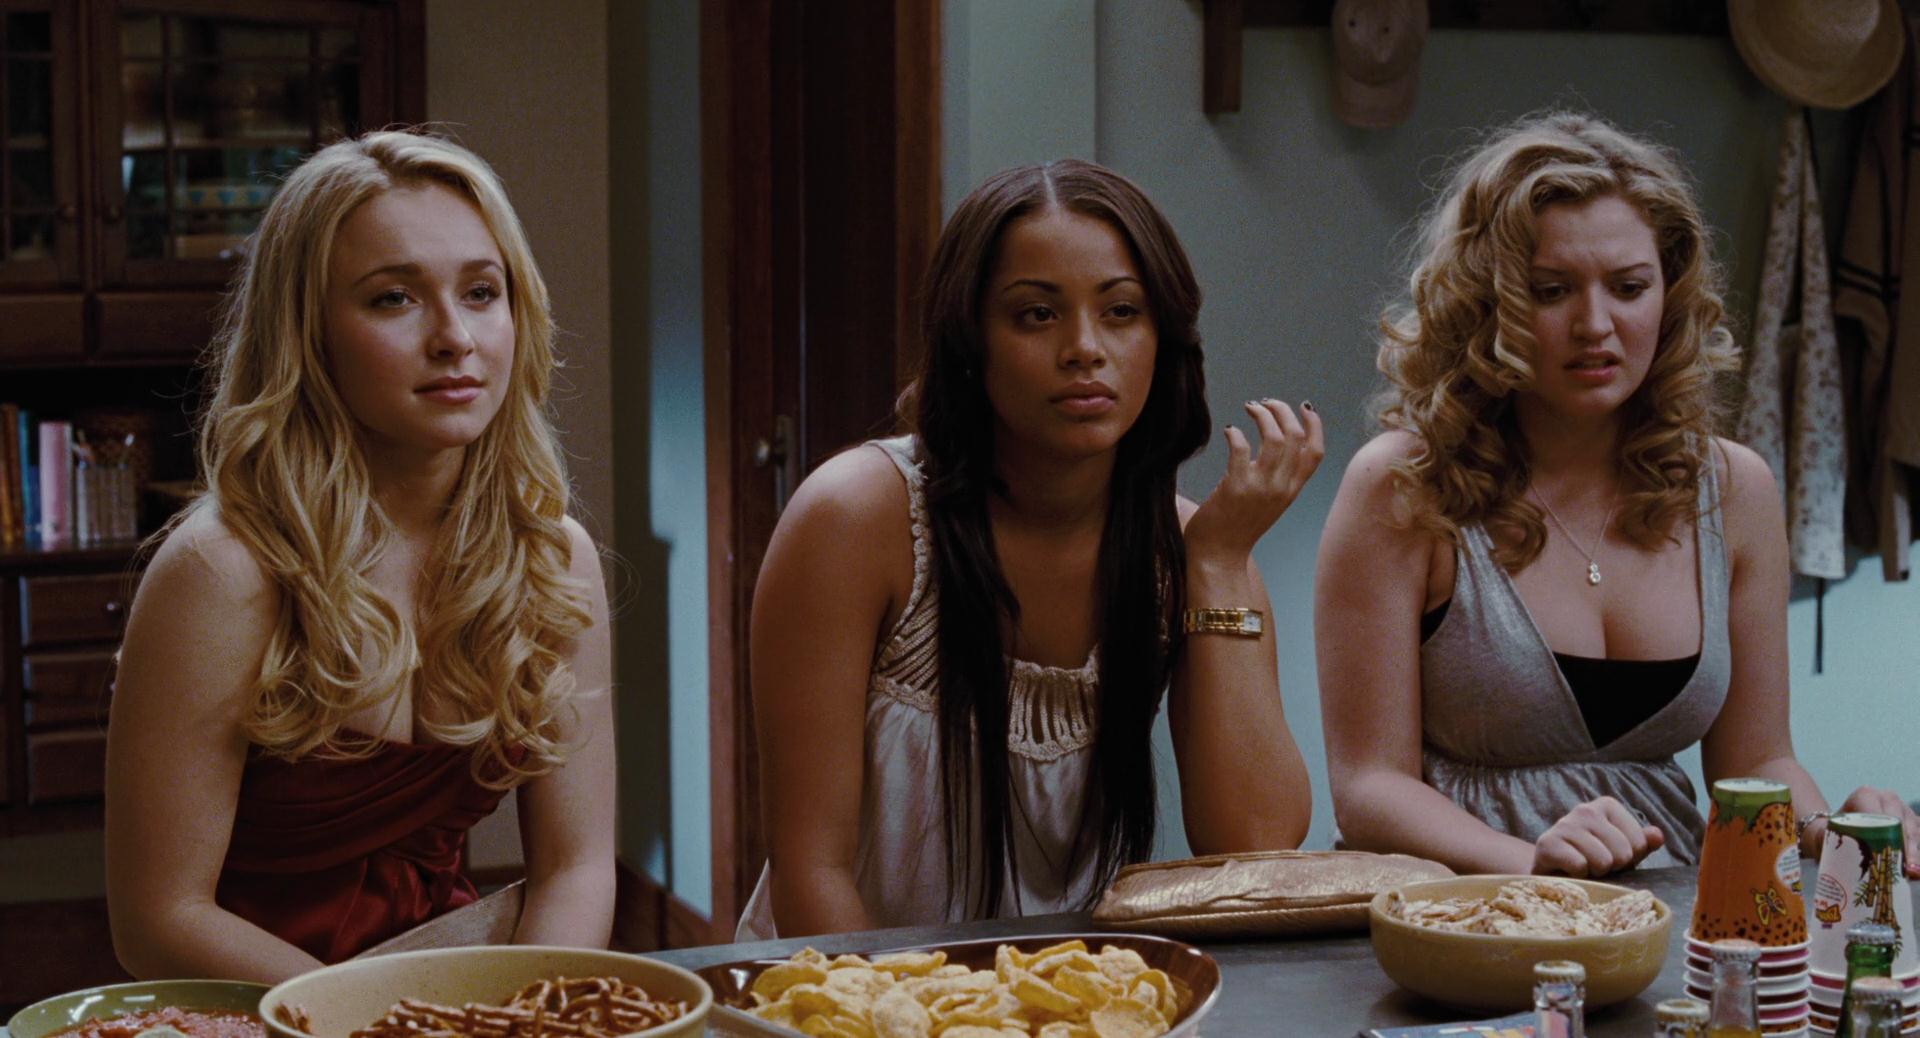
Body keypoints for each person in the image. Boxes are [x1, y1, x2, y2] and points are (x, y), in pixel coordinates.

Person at [1315, 111, 1920, 879]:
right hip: (1463, 911)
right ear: (1487, 301)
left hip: (1668, 910)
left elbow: (1758, 762)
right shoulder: (1403, 486)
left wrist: (1836, 833)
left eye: (1630, 287)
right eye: (1551, 290)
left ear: (1670, 294)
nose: (1595, 325)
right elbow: (1368, 788)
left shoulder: (1734, 490)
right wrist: (1534, 865)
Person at [742, 159, 1320, 938]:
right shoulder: (856, 517)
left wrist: (1216, 565)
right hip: (849, 984)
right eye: (1037, 315)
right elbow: (811, 872)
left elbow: (1253, 846)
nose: (1084, 348)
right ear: (970, 339)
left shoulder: (1194, 550)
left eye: (1121, 311)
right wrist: (909, 1003)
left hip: (1071, 990)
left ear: (1163, 337)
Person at [105, 130, 616, 981]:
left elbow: (577, 867)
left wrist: (526, 1012)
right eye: (393, 299)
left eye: (481, 292)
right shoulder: (224, 572)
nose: (455, 337)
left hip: (454, 997)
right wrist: (378, 1025)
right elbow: (160, 919)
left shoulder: (550, 556)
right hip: (255, 1011)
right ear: (308, 334)